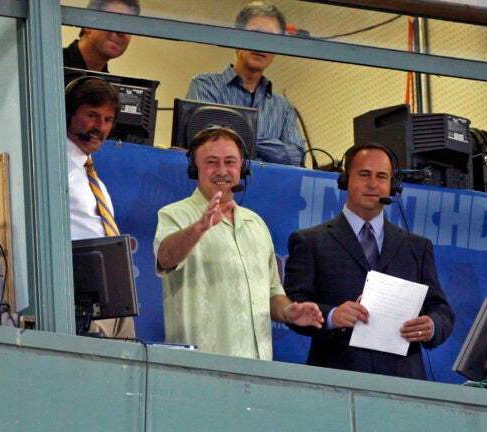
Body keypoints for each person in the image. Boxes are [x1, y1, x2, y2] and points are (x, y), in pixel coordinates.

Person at [283, 143, 455, 379]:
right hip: (336, 378)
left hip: (404, 382)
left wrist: (431, 326)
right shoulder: (310, 241)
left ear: (392, 185)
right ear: (345, 180)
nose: (373, 184)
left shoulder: (417, 247)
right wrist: (332, 316)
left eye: (381, 177)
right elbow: (293, 307)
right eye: (364, 174)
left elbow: (442, 310)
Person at [153, 126, 323, 360]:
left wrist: (288, 312)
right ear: (194, 168)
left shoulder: (256, 224)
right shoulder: (175, 214)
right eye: (211, 162)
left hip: (256, 368)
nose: (222, 171)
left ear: (241, 168)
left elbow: (273, 292)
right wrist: (198, 228)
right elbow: (165, 258)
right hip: (200, 366)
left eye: (230, 162)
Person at [185, 1, 306, 167]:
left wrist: (240, 135)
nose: (261, 44)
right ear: (237, 37)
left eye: (271, 38)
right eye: (255, 34)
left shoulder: (283, 107)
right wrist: (268, 147)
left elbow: (296, 157)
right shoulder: (206, 85)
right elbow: (203, 142)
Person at [66, 76, 136, 339]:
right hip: (79, 299)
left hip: (115, 298)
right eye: (92, 116)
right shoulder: (54, 167)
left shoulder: (94, 180)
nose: (100, 127)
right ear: (69, 114)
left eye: (108, 120)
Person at [62, 0, 140, 72]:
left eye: (128, 26)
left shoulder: (108, 82)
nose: (122, 32)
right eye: (115, 20)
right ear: (88, 22)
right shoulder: (56, 65)